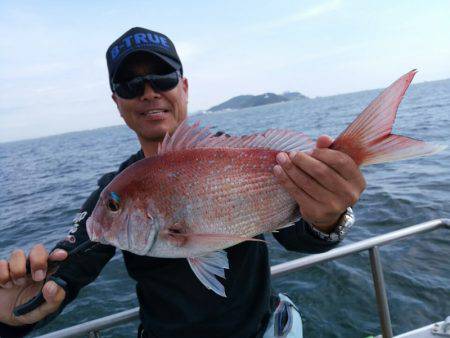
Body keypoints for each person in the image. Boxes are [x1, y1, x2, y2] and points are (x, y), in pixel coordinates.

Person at [0, 27, 366, 338]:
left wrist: (329, 217)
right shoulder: (115, 190)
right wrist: (15, 313)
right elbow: (69, 267)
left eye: (162, 77)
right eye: (130, 84)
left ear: (184, 86)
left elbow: (300, 236)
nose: (148, 91)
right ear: (117, 101)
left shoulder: (238, 158)